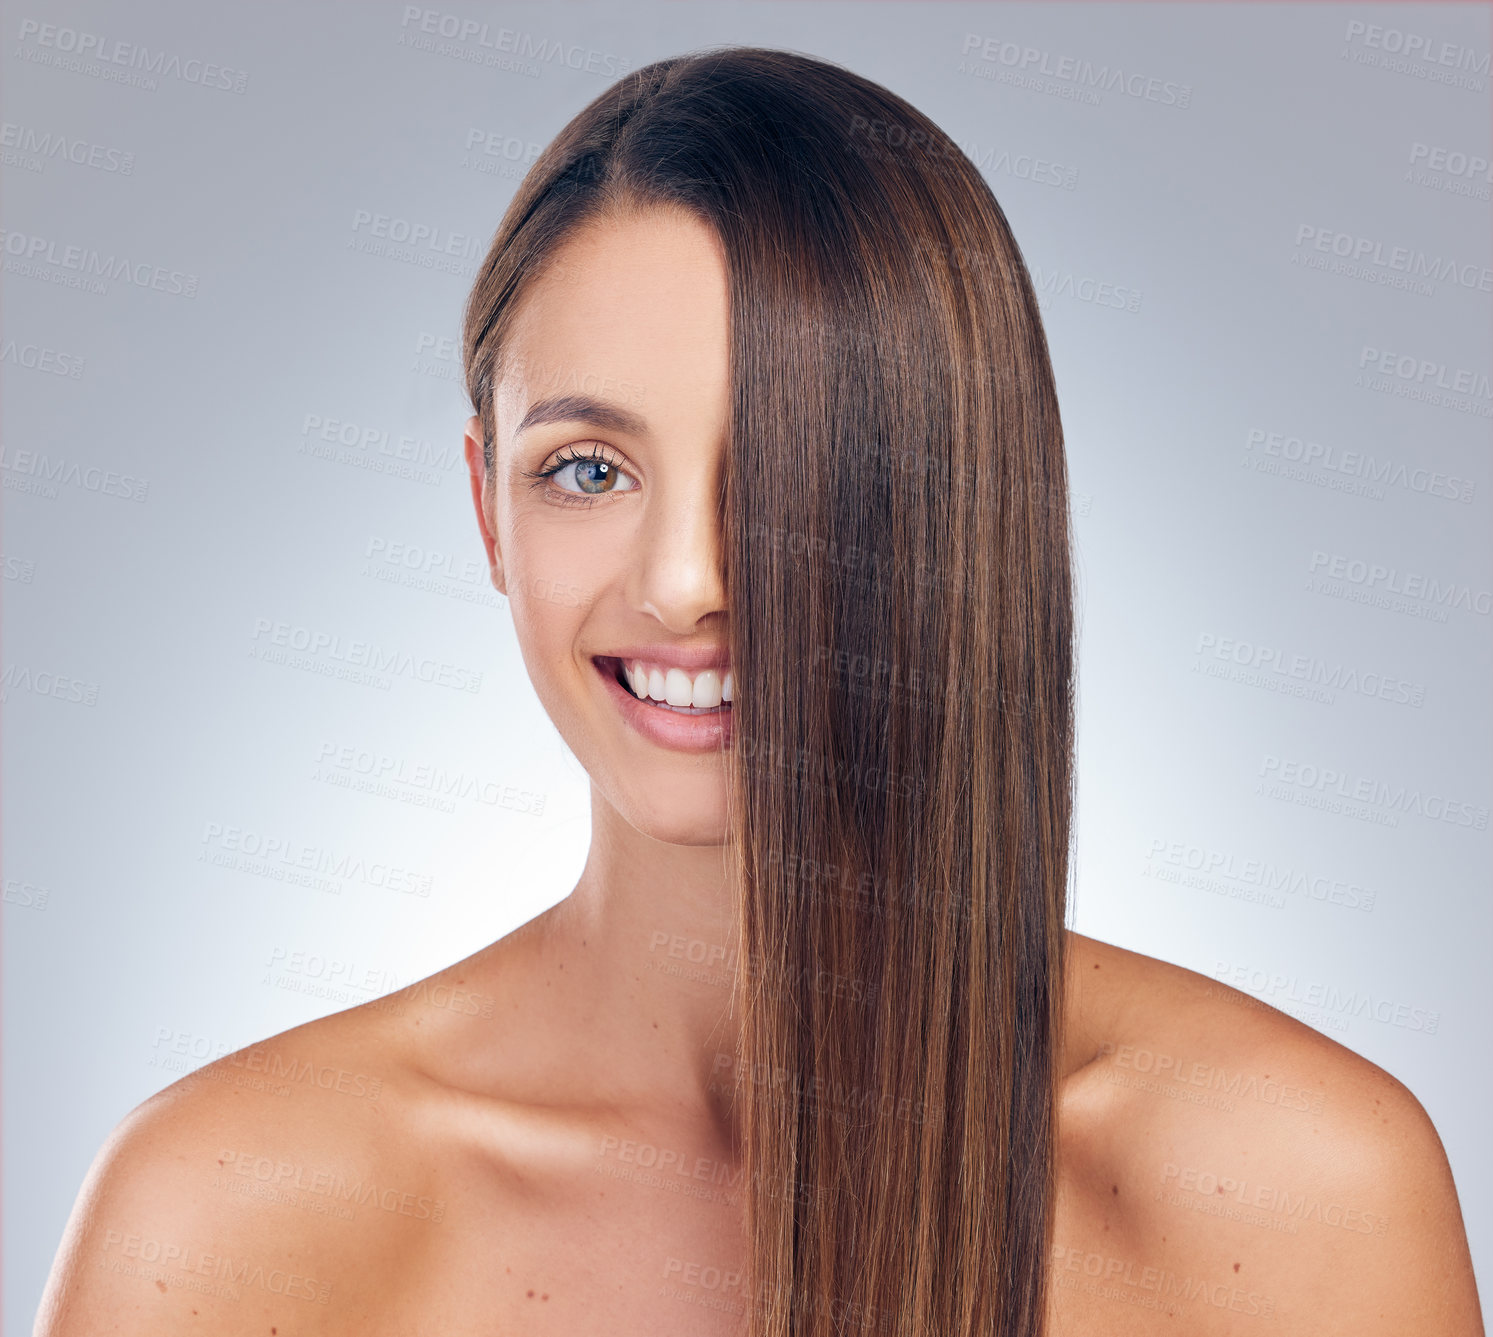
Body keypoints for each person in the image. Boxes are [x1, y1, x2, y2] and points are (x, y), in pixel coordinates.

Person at [33, 45, 1482, 1337]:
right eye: (586, 470)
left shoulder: (1294, 1193)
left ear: (958, 506)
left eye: (786, 467)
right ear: (487, 508)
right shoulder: (224, 1219)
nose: (681, 584)